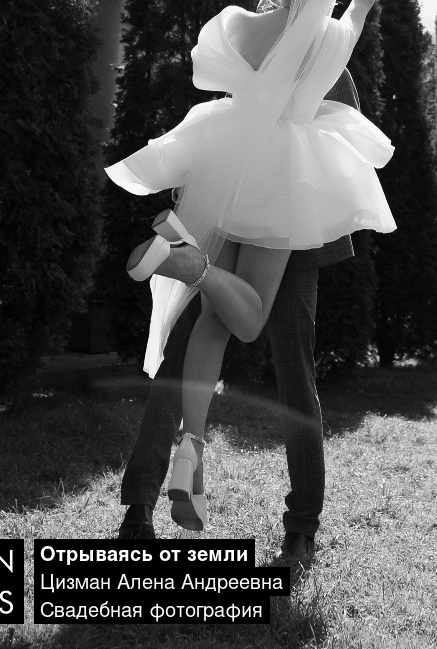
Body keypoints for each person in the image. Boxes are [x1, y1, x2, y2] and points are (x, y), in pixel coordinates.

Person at [105, 0, 395, 533]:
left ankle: (187, 451)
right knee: (268, 341)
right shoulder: (330, 41)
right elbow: (363, 1)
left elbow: (213, 68)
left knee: (206, 330)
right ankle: (302, 523)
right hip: (284, 194)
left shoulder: (242, 24)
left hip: (224, 171)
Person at [116, 67, 361, 572]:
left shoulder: (257, 43)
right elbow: (346, 140)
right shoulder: (324, 50)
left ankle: (147, 500)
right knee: (292, 375)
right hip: (286, 216)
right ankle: (300, 530)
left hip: (238, 202)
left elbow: (233, 116)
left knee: (198, 343)